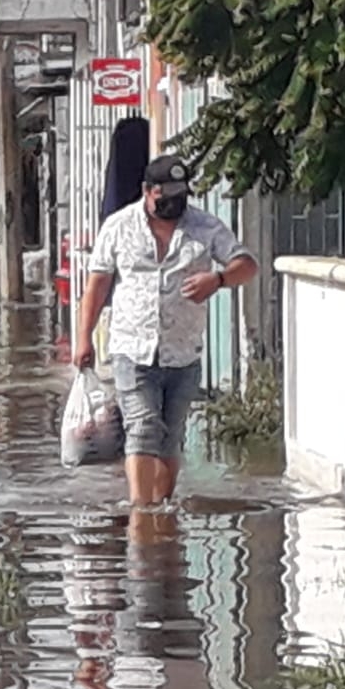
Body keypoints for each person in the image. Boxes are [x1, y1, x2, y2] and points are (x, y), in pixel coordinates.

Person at [72, 155, 259, 507]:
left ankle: (162, 509)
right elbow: (97, 285)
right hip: (132, 349)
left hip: (183, 350)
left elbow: (246, 265)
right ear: (147, 191)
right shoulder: (118, 226)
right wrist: (84, 338)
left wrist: (217, 279)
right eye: (164, 197)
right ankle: (141, 513)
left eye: (179, 196)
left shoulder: (205, 227)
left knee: (169, 438)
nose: (173, 204)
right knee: (142, 428)